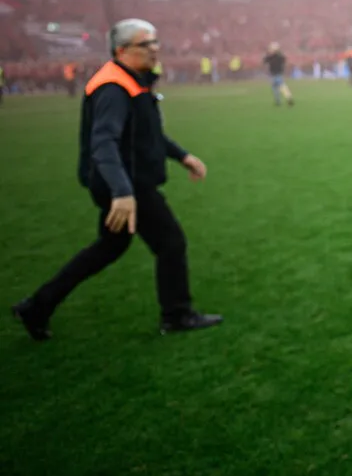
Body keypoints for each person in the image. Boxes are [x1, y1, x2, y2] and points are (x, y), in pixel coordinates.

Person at [11, 18, 223, 340]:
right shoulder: (113, 88)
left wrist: (182, 156)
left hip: (123, 179)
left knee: (109, 247)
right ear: (122, 50)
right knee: (170, 243)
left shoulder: (132, 80)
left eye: (155, 43)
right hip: (125, 183)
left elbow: (146, 135)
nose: (155, 50)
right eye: (146, 44)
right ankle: (177, 315)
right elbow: (104, 143)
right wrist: (122, 192)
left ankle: (37, 305)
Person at [263, 42, 293, 107]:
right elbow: (283, 59)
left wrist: (269, 54)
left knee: (277, 88)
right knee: (278, 87)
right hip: (277, 74)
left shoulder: (272, 57)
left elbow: (265, 60)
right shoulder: (279, 56)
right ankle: (284, 99)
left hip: (276, 74)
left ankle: (280, 100)